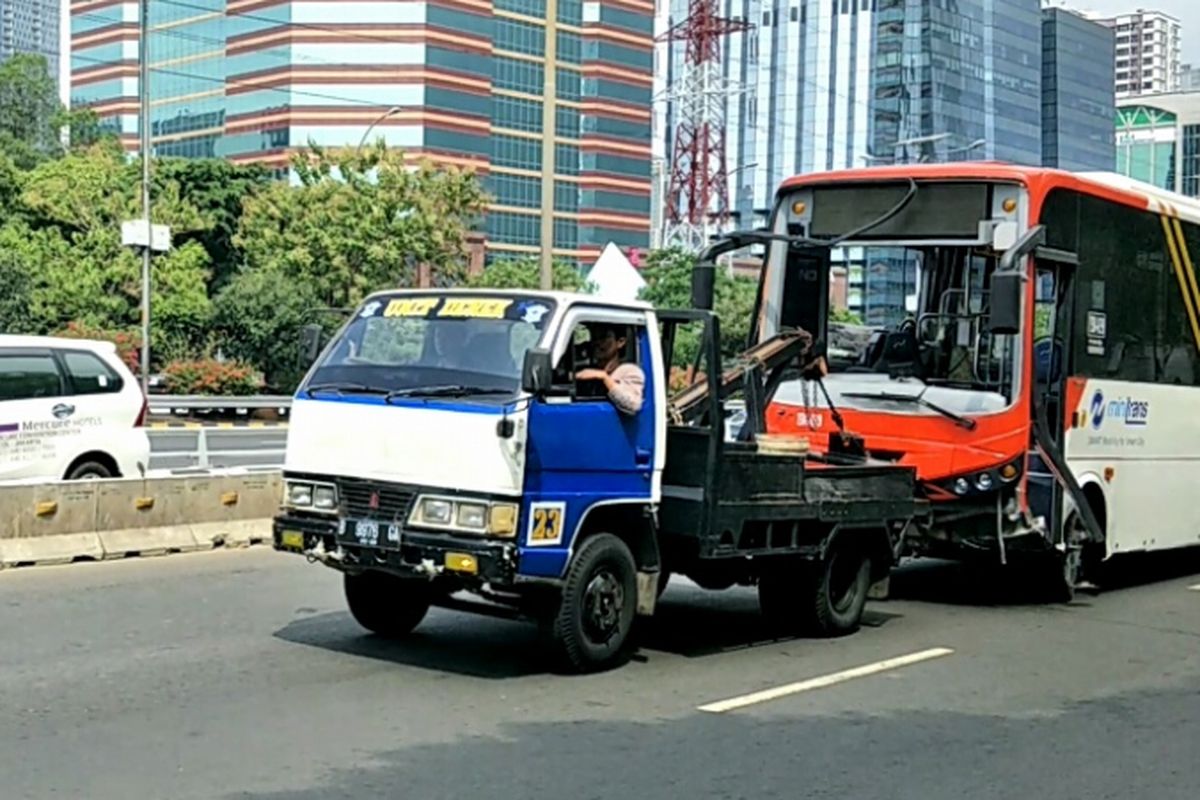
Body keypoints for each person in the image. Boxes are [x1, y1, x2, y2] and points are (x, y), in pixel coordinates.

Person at [575, 322, 645, 415]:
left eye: (603, 338)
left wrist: (604, 378)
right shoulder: (588, 370)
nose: (597, 343)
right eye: (594, 338)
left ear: (620, 342)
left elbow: (633, 405)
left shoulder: (629, 372)